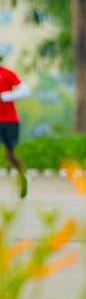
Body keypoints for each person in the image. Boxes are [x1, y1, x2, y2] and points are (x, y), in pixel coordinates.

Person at [0, 58, 31, 198]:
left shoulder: (7, 73)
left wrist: (6, 96)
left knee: (10, 154)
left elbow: (25, 91)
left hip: (9, 120)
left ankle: (22, 177)